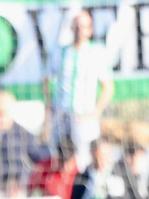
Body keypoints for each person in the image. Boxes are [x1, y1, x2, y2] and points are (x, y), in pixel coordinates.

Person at [44, 9, 114, 155]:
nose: (79, 30)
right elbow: (46, 79)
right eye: (77, 26)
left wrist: (95, 113)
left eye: (84, 26)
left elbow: (108, 87)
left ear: (90, 30)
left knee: (84, 158)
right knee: (58, 155)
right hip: (61, 116)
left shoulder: (96, 53)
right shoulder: (60, 52)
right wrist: (50, 106)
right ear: (71, 27)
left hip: (84, 117)